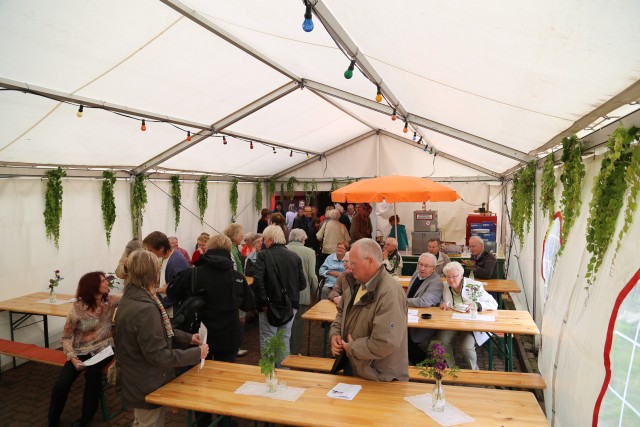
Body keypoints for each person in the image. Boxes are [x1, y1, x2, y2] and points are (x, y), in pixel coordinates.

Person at [168, 235, 255, 427]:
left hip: (200, 336)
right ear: (228, 251)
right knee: (225, 380)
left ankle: (203, 421)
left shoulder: (194, 274)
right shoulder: (237, 278)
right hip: (229, 336)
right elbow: (250, 303)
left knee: (200, 380)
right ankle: (225, 420)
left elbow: (172, 293)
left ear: (208, 248)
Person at [114, 250, 207, 426]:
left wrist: (188, 338)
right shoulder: (146, 307)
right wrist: (196, 353)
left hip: (136, 378)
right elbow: (159, 355)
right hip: (146, 382)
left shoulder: (132, 297)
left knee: (141, 422)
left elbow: (160, 330)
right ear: (153, 273)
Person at [329, 238, 409, 381]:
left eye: (353, 263)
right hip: (357, 364)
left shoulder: (389, 293)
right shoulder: (359, 282)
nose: (350, 267)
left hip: (377, 375)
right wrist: (335, 332)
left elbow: (386, 341)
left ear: (370, 261)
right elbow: (342, 311)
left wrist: (352, 347)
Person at [48, 272, 119, 427]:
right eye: (103, 281)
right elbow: (67, 337)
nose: (107, 283)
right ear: (93, 286)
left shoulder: (110, 301)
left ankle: (85, 420)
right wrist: (72, 358)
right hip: (80, 351)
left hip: (104, 348)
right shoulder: (77, 309)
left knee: (93, 376)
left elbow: (130, 297)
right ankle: (52, 421)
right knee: (61, 385)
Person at [253, 225, 306, 366]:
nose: (263, 242)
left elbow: (258, 281)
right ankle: (283, 376)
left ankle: (268, 376)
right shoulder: (294, 256)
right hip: (291, 305)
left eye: (264, 239)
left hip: (269, 306)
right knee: (284, 340)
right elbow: (302, 284)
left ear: (270, 239)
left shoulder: (263, 255)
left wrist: (264, 303)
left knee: (268, 340)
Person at [436, 261, 497, 370]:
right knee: (441, 342)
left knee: (466, 347)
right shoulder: (444, 286)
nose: (450, 280)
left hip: (471, 324)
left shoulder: (474, 285)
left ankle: (474, 371)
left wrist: (477, 304)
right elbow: (440, 300)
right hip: (452, 323)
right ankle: (452, 368)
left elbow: (493, 303)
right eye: (448, 277)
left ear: (461, 275)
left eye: (454, 276)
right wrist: (442, 304)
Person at [405, 253, 443, 364]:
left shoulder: (436, 282)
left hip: (424, 323)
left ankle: (425, 364)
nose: (422, 268)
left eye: (426, 266)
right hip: (410, 315)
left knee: (401, 336)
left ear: (434, 268)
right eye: (420, 264)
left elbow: (424, 301)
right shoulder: (416, 273)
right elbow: (409, 294)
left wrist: (401, 301)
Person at [286, 228, 318, 355]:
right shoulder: (309, 252)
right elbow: (311, 275)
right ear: (302, 239)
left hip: (284, 293)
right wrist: (314, 291)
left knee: (283, 323)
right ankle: (294, 352)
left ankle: (283, 350)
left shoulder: (283, 249)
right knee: (298, 325)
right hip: (302, 293)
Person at [143, 231, 190, 309]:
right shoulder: (167, 257)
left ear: (161, 248)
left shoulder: (175, 262)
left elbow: (178, 293)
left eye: (151, 250)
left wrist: (159, 305)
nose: (149, 253)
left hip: (175, 310)